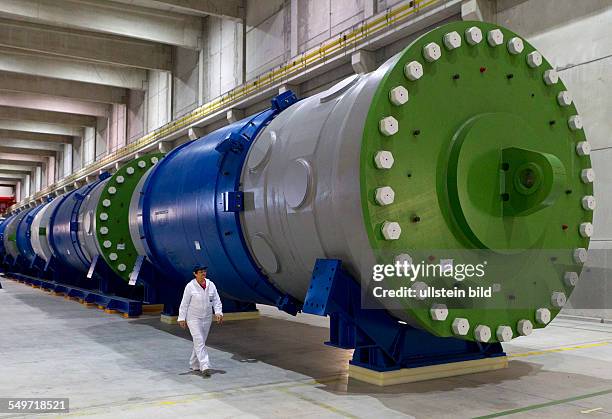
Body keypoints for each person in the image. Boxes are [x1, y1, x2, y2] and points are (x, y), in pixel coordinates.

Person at [178, 266, 223, 377]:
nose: (203, 273)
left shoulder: (211, 285)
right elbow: (184, 303)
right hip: (193, 318)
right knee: (199, 340)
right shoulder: (190, 286)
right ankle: (205, 365)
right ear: (195, 274)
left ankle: (194, 364)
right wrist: (181, 318)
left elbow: (216, 300)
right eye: (201, 272)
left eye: (204, 271)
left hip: (207, 317)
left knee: (200, 341)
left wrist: (218, 312)